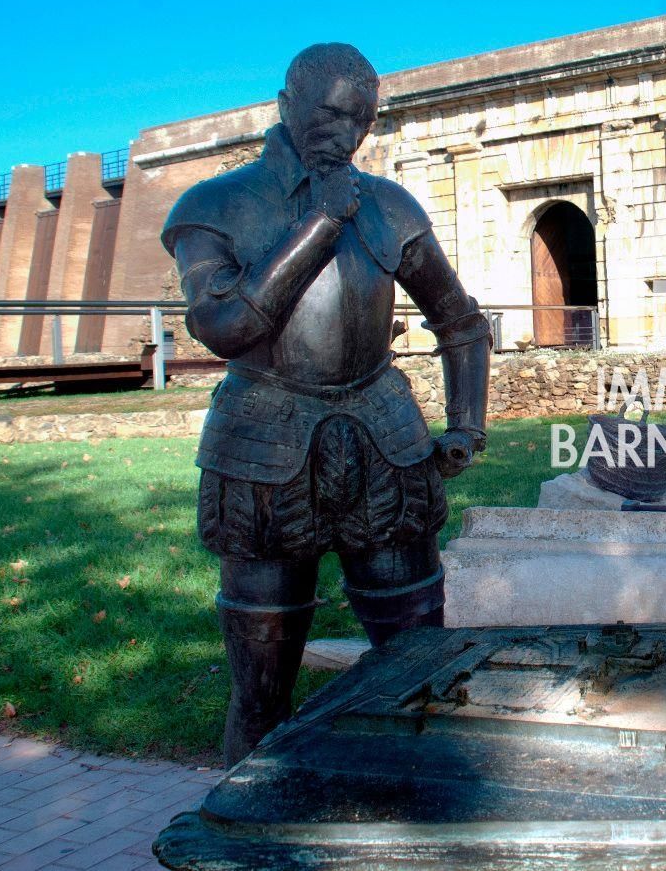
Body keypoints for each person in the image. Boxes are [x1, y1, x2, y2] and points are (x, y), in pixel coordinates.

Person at [162, 43, 492, 765]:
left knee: (421, 675)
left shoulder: (389, 207)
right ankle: (242, 835)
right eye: (331, 111)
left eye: (362, 119)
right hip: (262, 447)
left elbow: (460, 320)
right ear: (286, 104)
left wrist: (466, 423)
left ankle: (424, 822)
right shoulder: (214, 207)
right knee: (260, 691)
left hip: (387, 443)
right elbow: (226, 326)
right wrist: (320, 223)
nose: (345, 132)